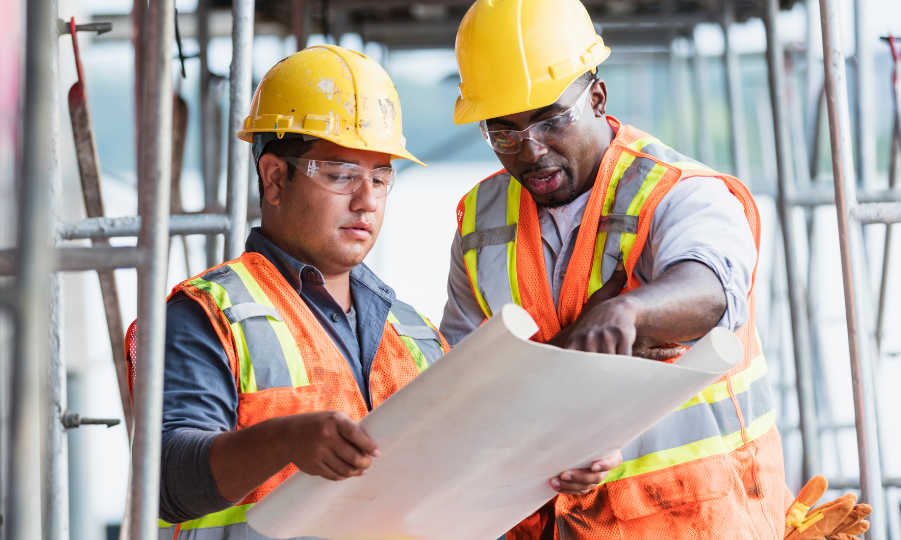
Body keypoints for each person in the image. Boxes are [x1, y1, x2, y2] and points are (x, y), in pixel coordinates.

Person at [441, 0, 787, 538]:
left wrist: (632, 309)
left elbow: (713, 291)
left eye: (550, 119)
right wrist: (541, 440)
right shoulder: (479, 222)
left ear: (597, 97)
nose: (530, 150)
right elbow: (465, 384)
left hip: (693, 522)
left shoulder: (677, 192)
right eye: (503, 131)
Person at [123, 44, 450, 540]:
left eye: (380, 178)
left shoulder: (415, 333)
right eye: (341, 174)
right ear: (274, 178)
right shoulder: (209, 316)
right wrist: (284, 440)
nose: (366, 200)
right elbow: (167, 481)